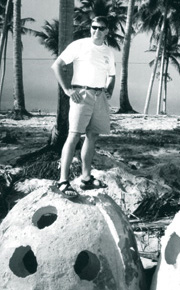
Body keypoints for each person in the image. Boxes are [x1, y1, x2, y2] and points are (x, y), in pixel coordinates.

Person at [51, 16, 116, 197]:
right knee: (73, 136)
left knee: (92, 135)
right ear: (90, 28)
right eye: (94, 27)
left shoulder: (109, 52)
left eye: (102, 28)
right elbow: (57, 65)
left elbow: (112, 74)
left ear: (107, 31)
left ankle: (86, 178)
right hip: (82, 94)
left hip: (99, 95)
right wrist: (67, 89)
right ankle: (63, 181)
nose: (97, 31)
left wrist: (109, 89)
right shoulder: (79, 45)